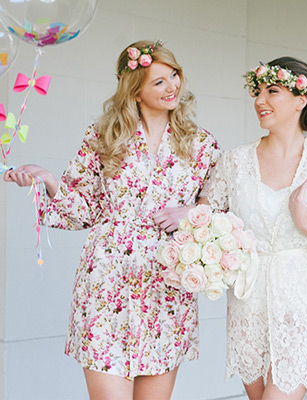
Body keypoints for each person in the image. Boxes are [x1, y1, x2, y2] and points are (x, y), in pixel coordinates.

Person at [3, 40, 219, 399]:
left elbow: (222, 208)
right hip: (107, 280)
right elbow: (82, 209)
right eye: (159, 82)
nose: (173, 87)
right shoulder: (104, 136)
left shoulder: (201, 144)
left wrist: (192, 213)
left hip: (166, 286)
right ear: (135, 92)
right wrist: (48, 180)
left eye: (174, 76)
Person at [199, 57, 307, 399]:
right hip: (247, 301)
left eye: (272, 91)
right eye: (257, 92)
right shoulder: (234, 162)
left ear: (302, 100)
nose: (260, 100)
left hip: (304, 301)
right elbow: (204, 220)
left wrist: (306, 225)